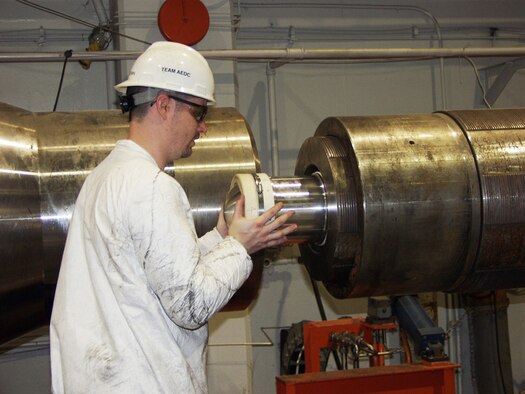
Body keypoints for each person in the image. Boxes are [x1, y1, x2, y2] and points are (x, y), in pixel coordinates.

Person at [50, 41, 296, 393]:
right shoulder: (153, 187)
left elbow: (153, 276)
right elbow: (190, 305)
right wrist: (241, 248)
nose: (203, 128)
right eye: (199, 113)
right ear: (164, 105)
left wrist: (221, 237)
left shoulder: (106, 177)